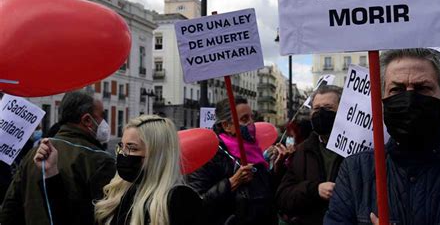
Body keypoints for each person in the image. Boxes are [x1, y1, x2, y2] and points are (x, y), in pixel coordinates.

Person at [325, 48, 440, 224]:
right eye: (397, 89)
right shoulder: (355, 171)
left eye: (422, 88)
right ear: (380, 102)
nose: (409, 98)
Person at [34, 115, 202, 225]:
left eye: (132, 148)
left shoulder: (179, 200)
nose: (123, 154)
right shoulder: (116, 194)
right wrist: (50, 172)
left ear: (158, 154)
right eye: (122, 147)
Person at [0, 91, 116, 225]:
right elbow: (107, 216)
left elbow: (10, 207)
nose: (104, 121)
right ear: (87, 120)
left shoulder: (33, 154)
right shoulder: (100, 160)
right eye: (102, 115)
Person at [187, 96, 278, 225]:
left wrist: (278, 168)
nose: (251, 123)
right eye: (244, 119)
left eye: (252, 117)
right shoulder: (209, 155)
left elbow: (266, 195)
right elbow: (197, 203)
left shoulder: (255, 150)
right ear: (226, 126)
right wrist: (231, 182)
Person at [276, 85, 344, 225]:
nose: (321, 113)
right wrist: (314, 190)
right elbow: (283, 198)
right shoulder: (301, 151)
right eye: (317, 108)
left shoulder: (359, 150)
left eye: (328, 108)